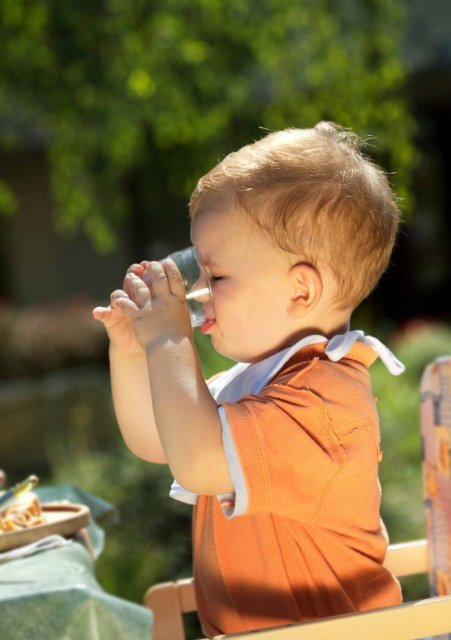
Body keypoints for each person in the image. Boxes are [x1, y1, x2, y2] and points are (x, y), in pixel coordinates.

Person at [93, 122, 405, 638]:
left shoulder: (324, 406)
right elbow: (160, 441)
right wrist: (132, 353)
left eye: (215, 276)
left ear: (300, 290)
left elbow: (197, 462)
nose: (198, 291)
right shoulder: (259, 383)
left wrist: (169, 340)